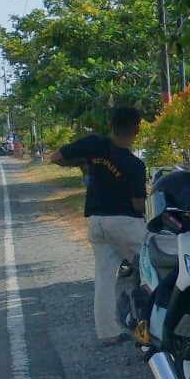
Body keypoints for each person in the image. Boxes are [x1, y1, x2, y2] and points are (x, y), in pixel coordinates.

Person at [50, 107, 148, 346]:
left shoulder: (94, 144)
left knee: (104, 277)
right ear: (136, 130)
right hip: (125, 223)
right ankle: (149, 331)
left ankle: (108, 333)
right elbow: (138, 204)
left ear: (110, 124)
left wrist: (83, 164)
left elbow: (56, 157)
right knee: (150, 270)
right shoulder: (134, 164)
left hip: (97, 222)